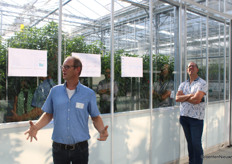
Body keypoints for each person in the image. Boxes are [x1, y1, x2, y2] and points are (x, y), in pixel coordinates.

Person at [24, 56, 108, 164]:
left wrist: (101, 131)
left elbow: (95, 117)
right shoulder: (55, 91)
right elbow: (49, 114)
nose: (63, 69)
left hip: (80, 149)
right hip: (59, 149)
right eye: (63, 67)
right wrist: (36, 127)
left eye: (67, 67)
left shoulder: (88, 94)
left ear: (77, 69)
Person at [176, 62, 207, 164]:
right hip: (184, 117)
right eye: (189, 67)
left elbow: (197, 100)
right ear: (187, 70)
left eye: (193, 66)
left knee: (196, 143)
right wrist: (191, 96)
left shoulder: (202, 83)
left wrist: (184, 97)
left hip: (196, 119)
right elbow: (177, 98)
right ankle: (191, 162)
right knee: (190, 143)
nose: (191, 68)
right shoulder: (183, 84)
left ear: (197, 69)